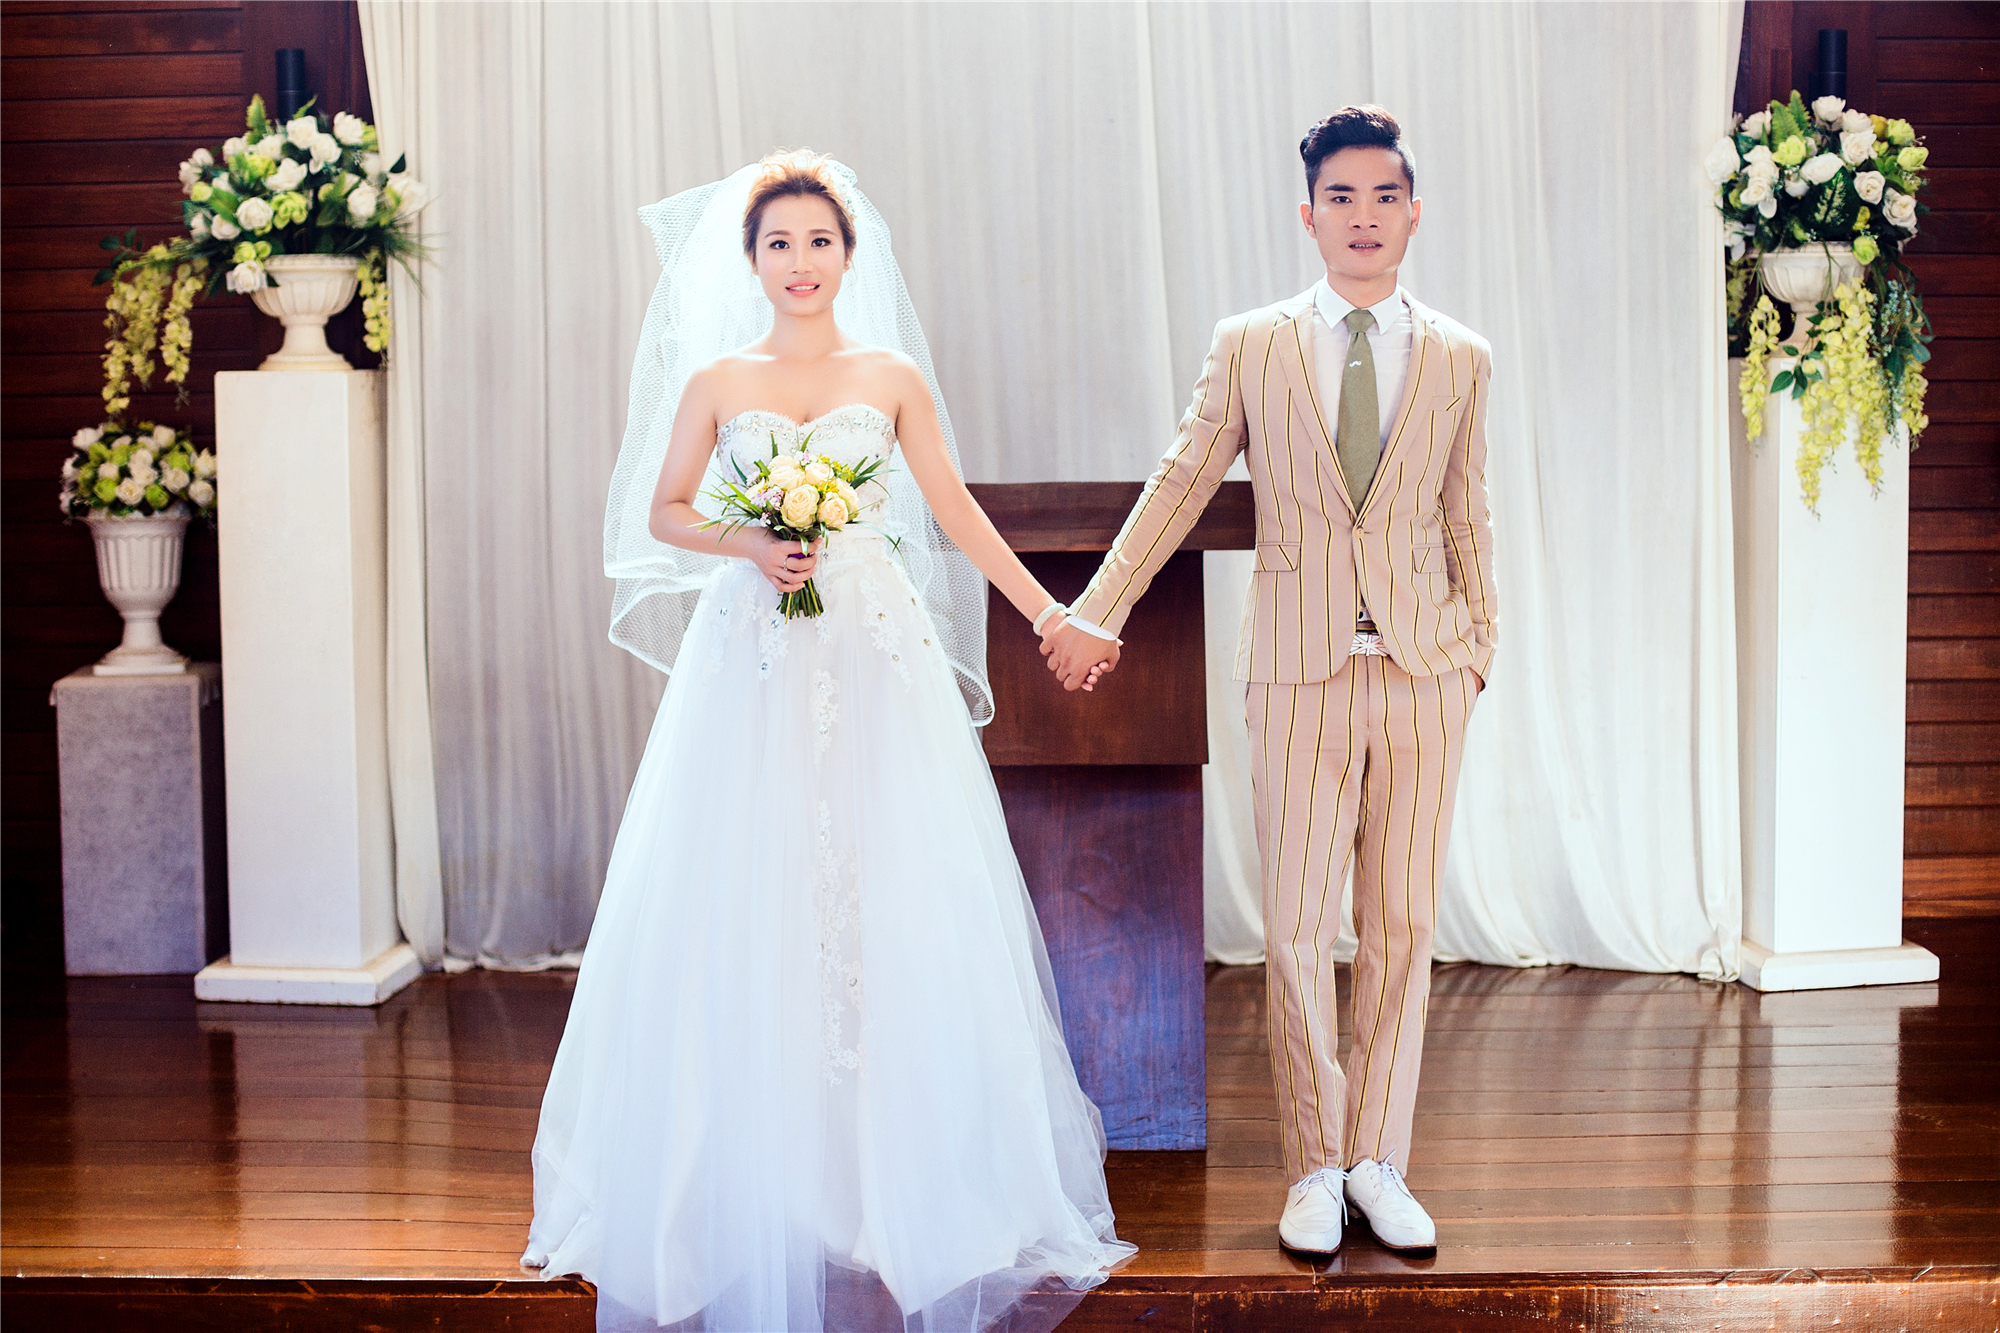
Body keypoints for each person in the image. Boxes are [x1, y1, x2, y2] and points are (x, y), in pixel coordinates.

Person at [522, 150, 1130, 1332]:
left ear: (850, 255)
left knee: (886, 880)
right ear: (750, 261)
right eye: (778, 244)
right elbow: (663, 510)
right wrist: (751, 544)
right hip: (751, 657)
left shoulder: (888, 376)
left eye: (817, 241)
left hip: (870, 649)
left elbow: (951, 510)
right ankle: (749, 1177)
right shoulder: (717, 378)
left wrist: (1047, 613)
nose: (799, 262)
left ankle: (887, 1177)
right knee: (748, 882)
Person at [1044, 106, 1497, 1257]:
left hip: (1423, 672)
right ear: (1308, 216)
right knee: (1292, 929)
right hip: (1296, 672)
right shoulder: (1252, 344)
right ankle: (1312, 1165)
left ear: (1411, 212)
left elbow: (1466, 509)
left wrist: (1478, 645)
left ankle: (1377, 1160)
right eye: (1340, 198)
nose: (1361, 216)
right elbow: (1182, 478)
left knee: (1401, 924)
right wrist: (1098, 607)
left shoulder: (1458, 355)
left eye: (1382, 197)